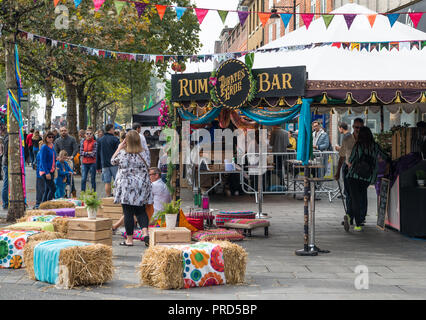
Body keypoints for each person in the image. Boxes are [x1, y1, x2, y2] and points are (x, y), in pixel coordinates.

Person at [111, 130, 151, 247]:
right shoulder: (144, 153)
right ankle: (145, 233)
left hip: (127, 186)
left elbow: (112, 161)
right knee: (141, 210)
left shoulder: (123, 153)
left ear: (126, 141)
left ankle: (129, 240)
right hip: (141, 185)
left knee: (128, 212)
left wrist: (119, 147)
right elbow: (148, 165)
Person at [346, 126, 390, 232]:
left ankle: (355, 220)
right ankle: (358, 220)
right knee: (361, 197)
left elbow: (351, 159)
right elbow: (386, 157)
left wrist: (350, 164)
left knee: (354, 198)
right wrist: (386, 168)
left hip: (354, 176)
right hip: (367, 177)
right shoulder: (375, 146)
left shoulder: (358, 145)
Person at [335, 118, 364, 230]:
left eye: (360, 128)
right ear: (353, 127)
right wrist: (337, 171)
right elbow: (342, 156)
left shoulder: (365, 140)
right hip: (348, 170)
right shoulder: (347, 139)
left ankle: (359, 218)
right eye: (356, 127)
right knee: (349, 194)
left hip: (361, 171)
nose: (358, 129)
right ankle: (350, 216)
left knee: (359, 195)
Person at [96, 124, 120, 197]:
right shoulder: (115, 139)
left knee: (107, 182)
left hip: (104, 164)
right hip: (114, 163)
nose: (114, 130)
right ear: (111, 129)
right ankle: (117, 195)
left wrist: (98, 166)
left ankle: (108, 196)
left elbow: (98, 154)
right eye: (113, 129)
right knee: (117, 181)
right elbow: (118, 152)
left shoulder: (100, 140)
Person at [54, 127, 78, 197]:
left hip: (69, 160)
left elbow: (75, 148)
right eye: (61, 131)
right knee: (61, 177)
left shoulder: (72, 139)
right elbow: (55, 151)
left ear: (67, 131)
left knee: (70, 177)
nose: (63, 132)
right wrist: (59, 157)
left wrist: (72, 156)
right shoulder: (57, 141)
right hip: (60, 161)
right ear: (60, 132)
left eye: (64, 130)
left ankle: (73, 191)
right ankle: (64, 193)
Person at [39, 131, 57, 202]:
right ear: (45, 138)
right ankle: (48, 205)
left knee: (47, 189)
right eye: (49, 137)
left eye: (52, 137)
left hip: (51, 170)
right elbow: (43, 161)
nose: (51, 138)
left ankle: (43, 206)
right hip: (45, 171)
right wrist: (47, 173)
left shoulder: (52, 145)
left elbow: (52, 157)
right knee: (53, 189)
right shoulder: (44, 147)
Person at [34, 140, 46, 209]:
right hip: (42, 174)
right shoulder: (41, 153)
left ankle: (38, 203)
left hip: (39, 174)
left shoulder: (39, 153)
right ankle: (39, 203)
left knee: (40, 189)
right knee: (42, 189)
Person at [1, 130, 8, 209]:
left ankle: (6, 202)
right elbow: (6, 153)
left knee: (6, 183)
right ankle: (5, 202)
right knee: (6, 183)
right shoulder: (8, 139)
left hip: (6, 162)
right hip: (7, 163)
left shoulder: (6, 138)